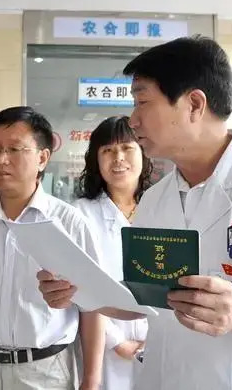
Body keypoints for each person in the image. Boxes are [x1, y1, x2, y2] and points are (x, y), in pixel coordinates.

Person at [38, 36, 232, 390]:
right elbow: (147, 300)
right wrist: (81, 291)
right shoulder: (155, 200)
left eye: (143, 102)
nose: (133, 120)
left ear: (194, 104)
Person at [0, 106, 104, 390]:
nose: (1, 159)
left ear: (42, 158)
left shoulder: (70, 224)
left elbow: (93, 307)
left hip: (45, 372)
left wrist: (91, 381)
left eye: (14, 149)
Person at [73, 116, 152, 390]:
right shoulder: (80, 214)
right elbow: (81, 287)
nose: (118, 158)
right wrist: (117, 341)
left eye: (127, 148)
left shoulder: (162, 207)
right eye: (108, 150)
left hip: (157, 342)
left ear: (143, 153)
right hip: (101, 350)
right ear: (96, 160)